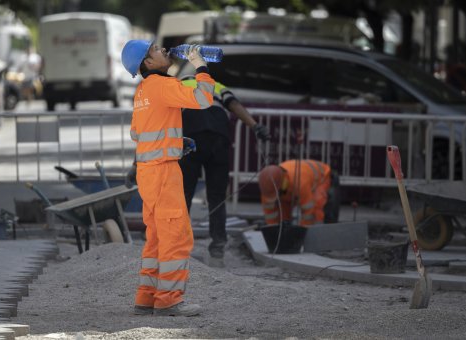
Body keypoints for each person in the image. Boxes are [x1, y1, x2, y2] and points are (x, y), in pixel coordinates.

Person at [121, 40, 215, 317]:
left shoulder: (142, 92)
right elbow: (204, 98)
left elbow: (138, 134)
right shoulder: (164, 85)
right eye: (155, 50)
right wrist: (201, 66)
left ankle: (147, 297)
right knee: (175, 235)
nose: (163, 50)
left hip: (148, 172)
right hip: (163, 171)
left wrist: (172, 139)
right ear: (148, 64)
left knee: (157, 238)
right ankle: (170, 300)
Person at [178, 76, 270, 267]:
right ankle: (217, 250)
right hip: (219, 138)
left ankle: (179, 249)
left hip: (191, 137)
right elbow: (234, 105)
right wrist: (255, 126)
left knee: (183, 195)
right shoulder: (216, 85)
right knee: (217, 197)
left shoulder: (178, 84)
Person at [258, 159, 339, 227]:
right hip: (294, 184)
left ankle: (320, 233)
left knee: (317, 206)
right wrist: (273, 232)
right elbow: (270, 215)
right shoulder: (268, 186)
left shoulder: (300, 182)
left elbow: (308, 212)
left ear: (284, 184)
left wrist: (302, 232)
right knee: (283, 209)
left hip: (322, 177)